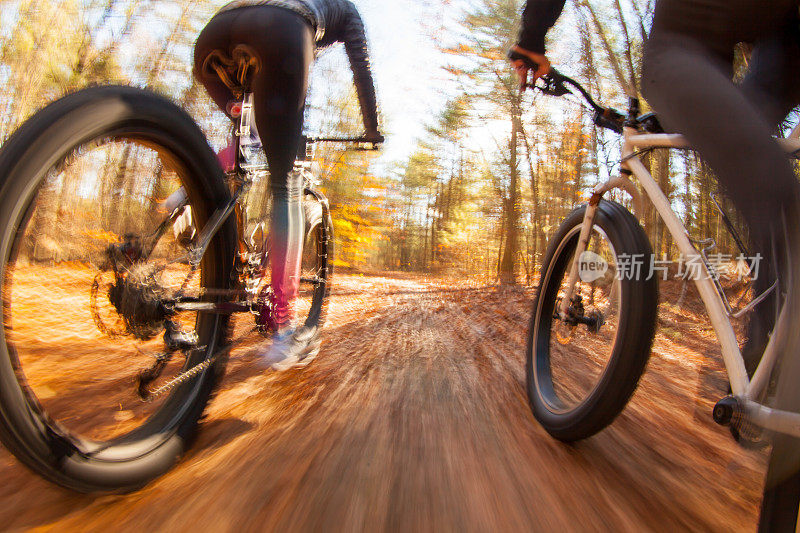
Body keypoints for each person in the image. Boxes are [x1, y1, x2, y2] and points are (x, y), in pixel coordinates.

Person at [512, 0, 800, 526]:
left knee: (773, 189)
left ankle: (769, 375)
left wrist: (531, 36)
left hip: (705, 37)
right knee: (769, 180)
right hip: (770, 43)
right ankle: (766, 367)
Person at [194, 0, 383, 370]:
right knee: (285, 184)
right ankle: (283, 328)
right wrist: (372, 127)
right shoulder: (345, 9)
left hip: (214, 36)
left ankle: (192, 196)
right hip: (281, 30)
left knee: (246, 141)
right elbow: (362, 66)